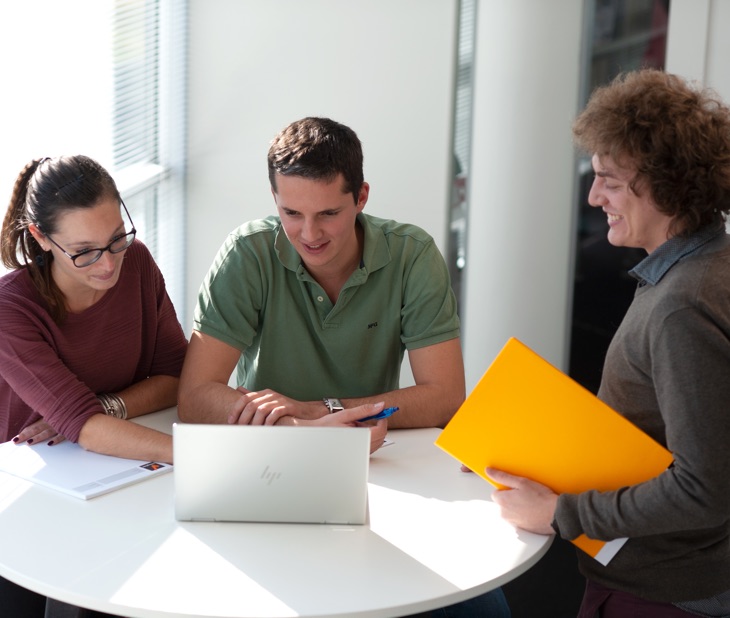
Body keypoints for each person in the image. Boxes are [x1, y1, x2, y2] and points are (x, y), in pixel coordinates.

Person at [178, 117, 510, 616]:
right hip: (270, 472)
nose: (309, 234)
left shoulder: (411, 255)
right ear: (274, 198)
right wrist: (306, 425)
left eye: (328, 213)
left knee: (480, 608)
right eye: (291, 212)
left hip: (382, 471)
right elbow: (196, 394)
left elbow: (445, 395)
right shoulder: (247, 255)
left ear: (361, 197)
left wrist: (320, 410)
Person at [487, 69, 730, 617]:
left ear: (668, 185)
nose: (594, 196)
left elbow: (704, 488)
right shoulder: (705, 266)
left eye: (611, 181)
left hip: (662, 592)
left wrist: (559, 513)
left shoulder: (682, 306)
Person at [0, 154, 188, 617]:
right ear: (41, 238)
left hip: (117, 477)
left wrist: (105, 408)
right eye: (84, 251)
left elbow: (177, 375)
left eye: (116, 239)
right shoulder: (11, 310)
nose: (107, 264)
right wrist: (200, 458)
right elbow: (85, 427)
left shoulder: (137, 264)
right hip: (31, 493)